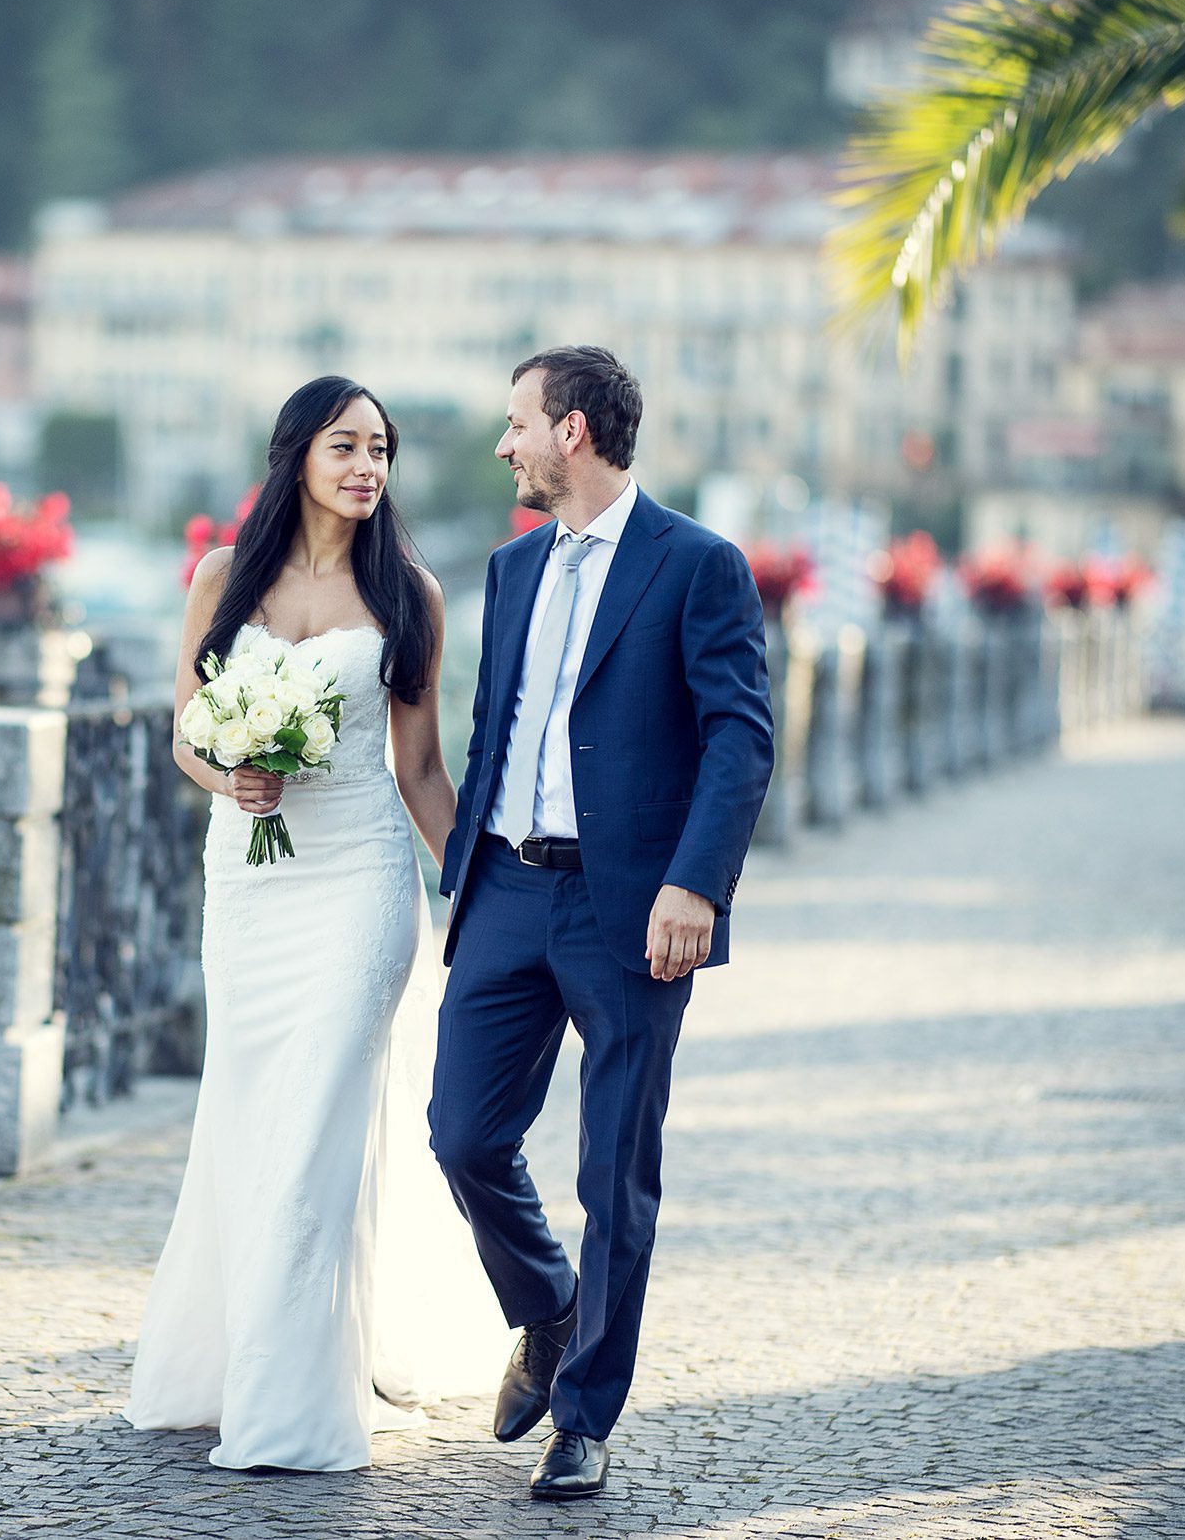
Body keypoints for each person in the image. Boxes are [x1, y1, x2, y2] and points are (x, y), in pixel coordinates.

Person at [123, 375, 507, 1472]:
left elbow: (421, 770)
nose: (366, 466)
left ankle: (292, 1405)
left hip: (359, 884)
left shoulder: (410, 596)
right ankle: (234, 1360)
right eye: (346, 445)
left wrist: (482, 892)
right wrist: (229, 775)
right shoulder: (221, 578)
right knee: (249, 1116)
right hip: (249, 889)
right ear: (296, 453)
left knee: (315, 1135)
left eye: (380, 449)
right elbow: (187, 730)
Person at [431, 345, 774, 1501]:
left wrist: (696, 884)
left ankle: (583, 1416)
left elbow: (739, 736)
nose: (504, 444)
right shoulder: (512, 567)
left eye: (517, 422)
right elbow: (495, 724)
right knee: (462, 1134)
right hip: (505, 890)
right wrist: (464, 863)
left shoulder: (698, 564)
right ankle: (549, 1303)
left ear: (571, 430)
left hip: (631, 908)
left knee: (615, 1170)